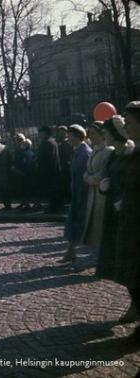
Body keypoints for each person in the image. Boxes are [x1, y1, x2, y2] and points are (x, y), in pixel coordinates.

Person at [96, 115, 137, 323]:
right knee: (117, 259)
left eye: (106, 133)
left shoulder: (131, 153)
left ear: (115, 134)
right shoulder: (112, 155)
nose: (104, 137)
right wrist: (104, 184)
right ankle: (134, 302)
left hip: (130, 211)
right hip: (113, 213)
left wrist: (125, 199)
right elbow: (107, 176)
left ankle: (135, 305)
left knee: (131, 261)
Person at [114, 101, 140, 339]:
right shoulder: (134, 151)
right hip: (130, 219)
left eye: (130, 123)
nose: (126, 127)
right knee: (132, 275)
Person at [59, 125, 92, 263]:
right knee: (73, 222)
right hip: (77, 192)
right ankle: (70, 252)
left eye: (70, 135)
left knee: (83, 224)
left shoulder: (85, 152)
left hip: (84, 194)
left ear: (77, 136)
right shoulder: (78, 151)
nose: (68, 138)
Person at [81, 122, 114, 249]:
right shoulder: (94, 150)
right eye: (90, 134)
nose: (91, 137)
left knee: (102, 228)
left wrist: (89, 178)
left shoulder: (108, 151)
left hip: (102, 195)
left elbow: (102, 175)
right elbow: (86, 171)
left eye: (94, 134)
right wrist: (88, 177)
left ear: (102, 134)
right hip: (93, 194)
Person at [36, 126, 62, 212]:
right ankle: (55, 207)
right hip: (54, 169)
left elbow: (44, 158)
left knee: (51, 191)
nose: (39, 134)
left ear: (44, 133)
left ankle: (53, 208)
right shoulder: (53, 141)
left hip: (48, 170)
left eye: (40, 132)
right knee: (54, 190)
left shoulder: (46, 142)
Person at [57, 126, 73, 204]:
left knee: (68, 182)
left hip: (67, 165)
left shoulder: (68, 142)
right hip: (62, 165)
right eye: (59, 131)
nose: (60, 133)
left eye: (62, 131)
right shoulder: (60, 142)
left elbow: (70, 153)